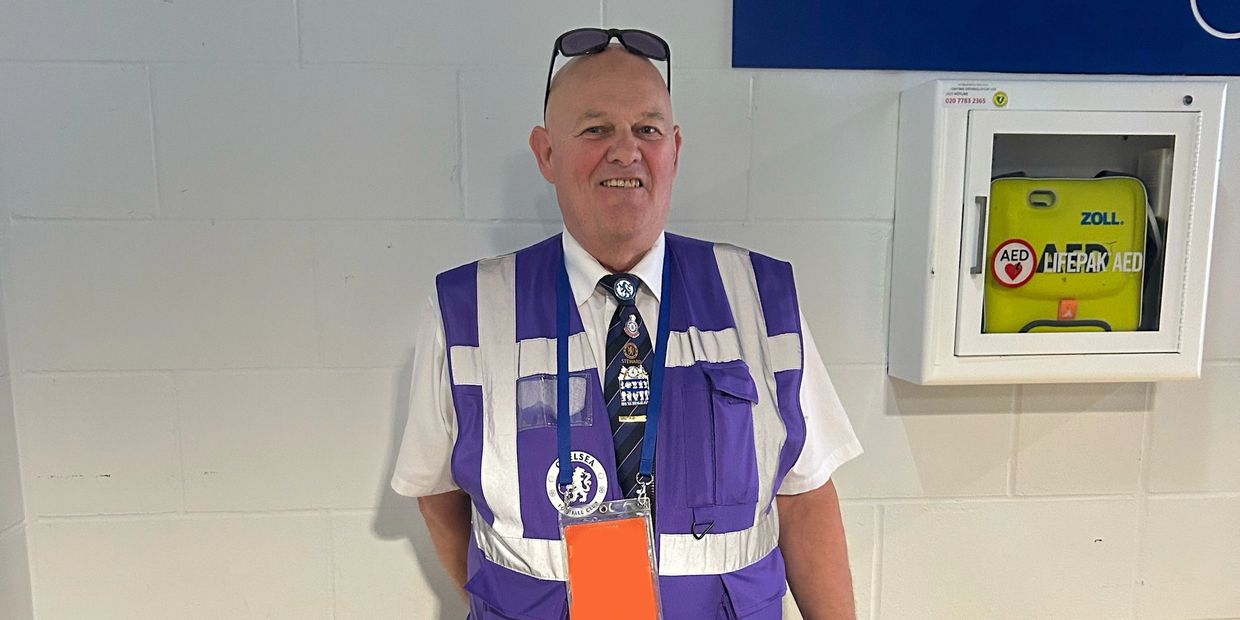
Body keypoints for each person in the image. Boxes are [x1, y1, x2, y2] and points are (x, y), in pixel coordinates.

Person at [391, 28, 862, 619]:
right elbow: (438, 497)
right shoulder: (468, 311)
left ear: (675, 148)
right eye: (595, 129)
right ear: (546, 154)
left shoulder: (760, 298)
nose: (625, 150)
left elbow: (805, 498)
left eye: (648, 129)